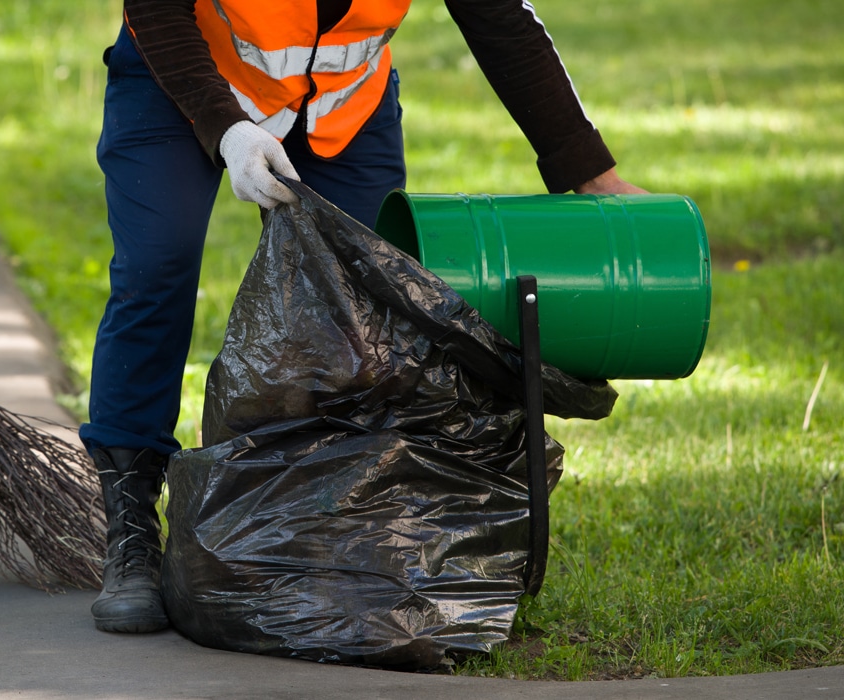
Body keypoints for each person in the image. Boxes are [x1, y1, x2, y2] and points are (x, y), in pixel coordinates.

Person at [79, 0, 647, 634]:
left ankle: (310, 544)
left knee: (360, 316)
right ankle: (130, 531)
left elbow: (500, 17)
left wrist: (591, 173)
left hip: (342, 108)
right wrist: (227, 129)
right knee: (156, 268)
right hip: (178, 75)